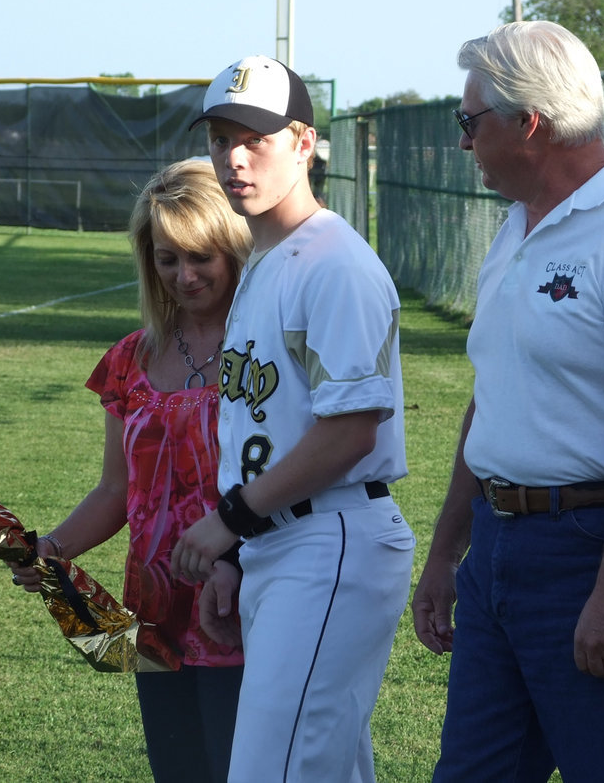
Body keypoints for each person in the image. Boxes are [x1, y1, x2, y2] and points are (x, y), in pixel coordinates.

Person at [410, 21, 604, 782]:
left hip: (594, 550)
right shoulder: (516, 228)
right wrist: (449, 550)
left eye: (469, 123)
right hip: (500, 546)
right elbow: (493, 404)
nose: (464, 143)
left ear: (531, 125)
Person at [170, 55, 415, 783]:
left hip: (329, 541)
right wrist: (239, 555)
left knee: (271, 773)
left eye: (256, 138)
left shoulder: (333, 264)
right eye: (219, 139)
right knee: (327, 769)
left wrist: (232, 521)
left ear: (304, 143)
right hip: (288, 542)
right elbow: (265, 425)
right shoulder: (269, 260)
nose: (232, 157)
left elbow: (352, 429)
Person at [7, 158, 252, 782]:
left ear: (232, 247)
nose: (184, 275)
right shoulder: (128, 360)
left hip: (245, 602)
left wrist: (235, 557)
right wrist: (51, 548)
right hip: (156, 613)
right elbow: (117, 489)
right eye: (167, 258)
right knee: (179, 771)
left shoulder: (264, 349)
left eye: (200, 257)